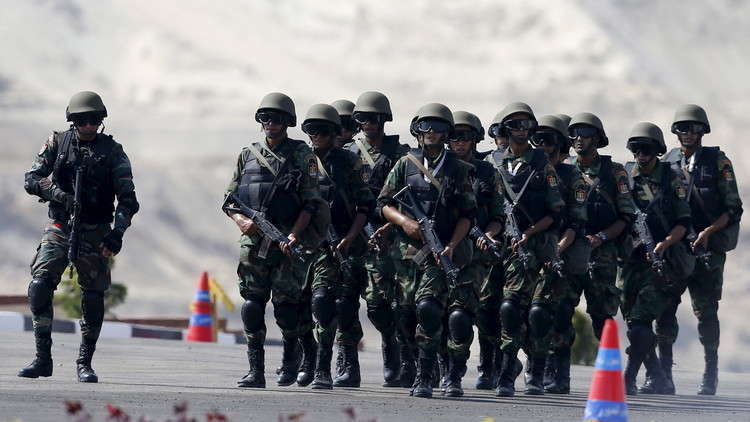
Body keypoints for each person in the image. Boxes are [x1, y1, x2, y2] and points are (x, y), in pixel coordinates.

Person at [20, 91, 139, 383]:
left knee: (94, 295)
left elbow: (128, 200)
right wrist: (59, 194)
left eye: (94, 120)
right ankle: (42, 358)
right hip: (61, 224)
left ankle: (85, 362)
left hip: (95, 229)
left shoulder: (113, 152)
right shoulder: (57, 143)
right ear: (72, 120)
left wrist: (117, 234)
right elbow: (31, 179)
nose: (88, 126)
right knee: (40, 285)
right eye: (83, 120)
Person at [222, 92, 328, 388]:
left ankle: (292, 358)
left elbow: (311, 202)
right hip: (254, 243)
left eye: (277, 118)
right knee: (252, 306)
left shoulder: (303, 155)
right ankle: (255, 370)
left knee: (286, 309)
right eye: (265, 118)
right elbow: (229, 199)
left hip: (286, 243)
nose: (270, 123)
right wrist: (241, 220)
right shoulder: (247, 154)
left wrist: (294, 234)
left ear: (288, 122)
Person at [379, 103, 476, 398]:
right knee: (404, 314)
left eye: (438, 127)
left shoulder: (459, 169)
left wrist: (451, 246)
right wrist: (405, 222)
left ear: (447, 133)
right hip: (407, 254)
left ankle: (429, 375)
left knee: (429, 308)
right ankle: (421, 365)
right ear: (417, 131)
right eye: (426, 126)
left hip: (441, 251)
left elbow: (467, 215)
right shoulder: (405, 164)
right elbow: (384, 203)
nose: (432, 132)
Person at [545, 112, 636, 393]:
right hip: (570, 252)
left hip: (601, 255)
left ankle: (611, 378)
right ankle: (558, 377)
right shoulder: (564, 170)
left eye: (585, 134)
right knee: (560, 312)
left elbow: (626, 216)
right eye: (574, 134)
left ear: (597, 139)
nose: (579, 139)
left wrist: (601, 237)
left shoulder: (615, 172)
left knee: (603, 318)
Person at [659, 104, 743, 395]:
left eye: (694, 128)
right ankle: (664, 374)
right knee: (665, 309)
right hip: (676, 250)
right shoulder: (667, 162)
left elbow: (733, 208)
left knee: (706, 313)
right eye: (683, 128)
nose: (688, 133)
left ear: (703, 131)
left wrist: (709, 232)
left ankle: (710, 373)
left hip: (707, 250)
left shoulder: (718, 162)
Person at [300, 104, 374, 389]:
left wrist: (351, 237)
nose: (317, 136)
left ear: (334, 133)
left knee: (332, 303)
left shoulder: (349, 162)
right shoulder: (299, 160)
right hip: (305, 243)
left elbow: (365, 205)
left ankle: (326, 367)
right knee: (298, 306)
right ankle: (305, 360)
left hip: (340, 244)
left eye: (323, 131)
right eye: (312, 131)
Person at [621, 122, 693, 395]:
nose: (641, 154)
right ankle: (657, 375)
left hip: (663, 261)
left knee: (643, 320)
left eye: (647, 149)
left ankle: (629, 378)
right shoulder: (626, 176)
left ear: (658, 151)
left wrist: (664, 244)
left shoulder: (671, 178)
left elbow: (683, 222)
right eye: (636, 149)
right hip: (631, 260)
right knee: (632, 323)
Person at [345, 91, 410, 387]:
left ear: (384, 119)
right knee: (349, 302)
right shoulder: (347, 153)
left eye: (373, 118)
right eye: (362, 119)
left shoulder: (401, 155)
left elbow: (411, 199)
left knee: (388, 303)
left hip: (389, 237)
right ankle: (348, 362)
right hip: (353, 234)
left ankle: (395, 349)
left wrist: (392, 227)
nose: (368, 124)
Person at [527, 115, 587, 394]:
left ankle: (558, 374)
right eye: (538, 140)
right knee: (527, 312)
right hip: (529, 251)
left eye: (549, 141)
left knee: (558, 314)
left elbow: (575, 223)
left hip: (562, 252)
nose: (543, 146)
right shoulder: (528, 170)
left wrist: (556, 251)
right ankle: (533, 367)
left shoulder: (572, 176)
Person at [448, 111, 505, 391]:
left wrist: (490, 235)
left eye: (465, 137)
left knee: (469, 313)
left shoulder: (486, 172)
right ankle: (437, 366)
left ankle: (465, 370)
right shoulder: (438, 168)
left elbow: (497, 215)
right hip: (443, 249)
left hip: (477, 253)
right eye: (454, 137)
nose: (459, 142)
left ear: (475, 139)